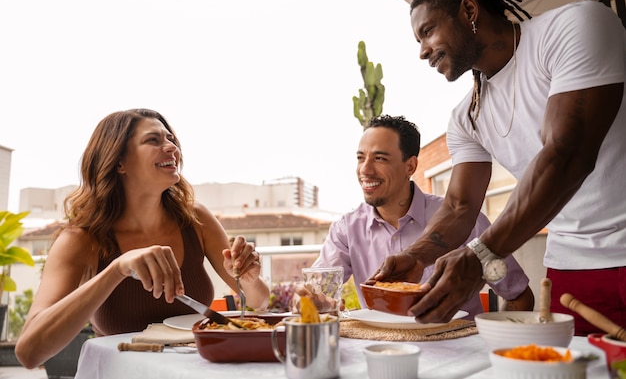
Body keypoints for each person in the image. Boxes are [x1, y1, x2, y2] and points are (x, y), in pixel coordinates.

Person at [371, 0, 625, 335]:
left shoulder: (576, 25)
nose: (423, 51)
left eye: (427, 31)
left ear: (469, 11)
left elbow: (568, 153)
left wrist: (481, 255)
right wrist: (418, 254)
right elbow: (459, 207)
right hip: (570, 272)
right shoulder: (466, 117)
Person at [15, 108, 270, 369]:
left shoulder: (197, 220)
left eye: (171, 139)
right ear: (119, 162)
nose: (171, 147)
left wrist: (249, 279)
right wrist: (117, 268)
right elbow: (29, 353)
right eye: (153, 140)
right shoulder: (80, 240)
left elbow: (259, 302)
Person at [298, 114, 534, 318]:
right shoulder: (346, 230)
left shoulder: (465, 221)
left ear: (410, 166)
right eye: (361, 158)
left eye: (379, 158)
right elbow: (317, 292)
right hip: (382, 358)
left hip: (459, 359)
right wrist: (312, 301)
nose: (365, 170)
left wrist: (494, 348)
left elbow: (518, 295)